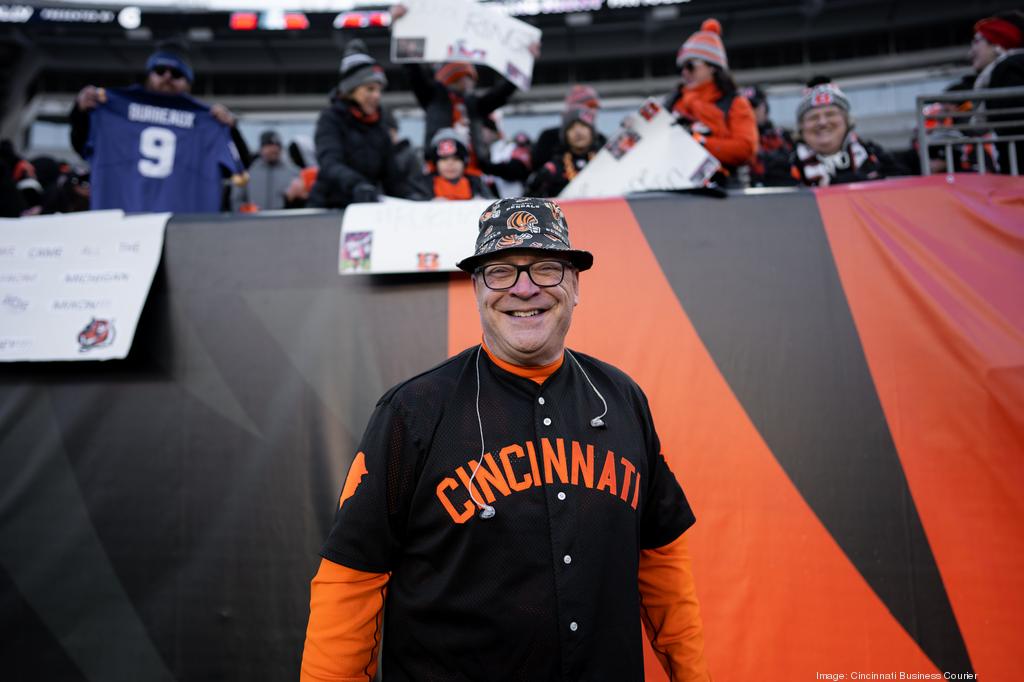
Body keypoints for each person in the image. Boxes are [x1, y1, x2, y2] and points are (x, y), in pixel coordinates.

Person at [301, 197, 711, 682]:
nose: (523, 288)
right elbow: (351, 579)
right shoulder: (414, 411)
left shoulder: (621, 399)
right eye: (499, 272)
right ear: (477, 289)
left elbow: (661, 560)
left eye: (546, 269)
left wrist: (693, 675)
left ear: (575, 285)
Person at [69, 41, 244, 213]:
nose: (167, 77)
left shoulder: (208, 122)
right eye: (160, 71)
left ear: (188, 82)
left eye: (176, 73)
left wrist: (230, 128)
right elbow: (81, 144)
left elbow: (242, 163)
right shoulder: (113, 109)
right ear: (149, 74)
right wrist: (80, 111)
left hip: (177, 226)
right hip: (124, 221)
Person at [308, 40, 420, 208]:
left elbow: (392, 176)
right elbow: (330, 162)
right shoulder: (330, 119)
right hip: (329, 206)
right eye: (369, 89)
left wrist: (412, 197)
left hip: (363, 208)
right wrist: (356, 184)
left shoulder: (379, 125)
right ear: (351, 90)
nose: (376, 95)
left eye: (379, 90)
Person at [667, 18, 758, 186]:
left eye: (690, 66)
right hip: (676, 186)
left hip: (724, 189)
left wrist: (698, 142)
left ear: (713, 67)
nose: (685, 73)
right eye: (681, 68)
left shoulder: (735, 103)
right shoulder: (673, 102)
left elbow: (745, 149)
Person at [789, 78, 905, 186]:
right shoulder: (787, 165)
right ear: (801, 127)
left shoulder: (874, 155)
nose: (822, 122)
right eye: (813, 117)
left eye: (830, 114)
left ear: (847, 121)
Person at [968, 11, 1024, 173]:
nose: (971, 51)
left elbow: (1009, 120)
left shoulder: (1007, 68)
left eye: (976, 41)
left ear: (996, 44)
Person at [527, 107, 601, 197]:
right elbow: (531, 195)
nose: (578, 132)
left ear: (592, 132)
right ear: (565, 135)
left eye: (583, 126)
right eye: (571, 128)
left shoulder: (605, 160)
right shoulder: (554, 166)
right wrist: (539, 180)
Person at [531, 84, 607, 172]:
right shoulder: (549, 138)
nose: (594, 111)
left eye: (595, 107)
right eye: (590, 105)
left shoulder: (601, 141)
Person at [232, 130, 300, 212]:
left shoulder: (295, 172)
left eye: (277, 145)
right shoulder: (247, 172)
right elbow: (235, 202)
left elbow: (302, 203)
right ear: (261, 148)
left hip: (284, 222)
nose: (274, 149)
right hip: (254, 222)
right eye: (269, 145)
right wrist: (246, 209)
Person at [739, 85, 795, 186]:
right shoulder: (734, 141)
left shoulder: (782, 137)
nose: (749, 111)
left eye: (754, 106)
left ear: (765, 107)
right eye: (744, 107)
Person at [417, 128, 494, 200]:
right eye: (444, 159)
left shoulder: (477, 184)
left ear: (465, 162)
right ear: (435, 163)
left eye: (456, 159)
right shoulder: (422, 185)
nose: (450, 164)